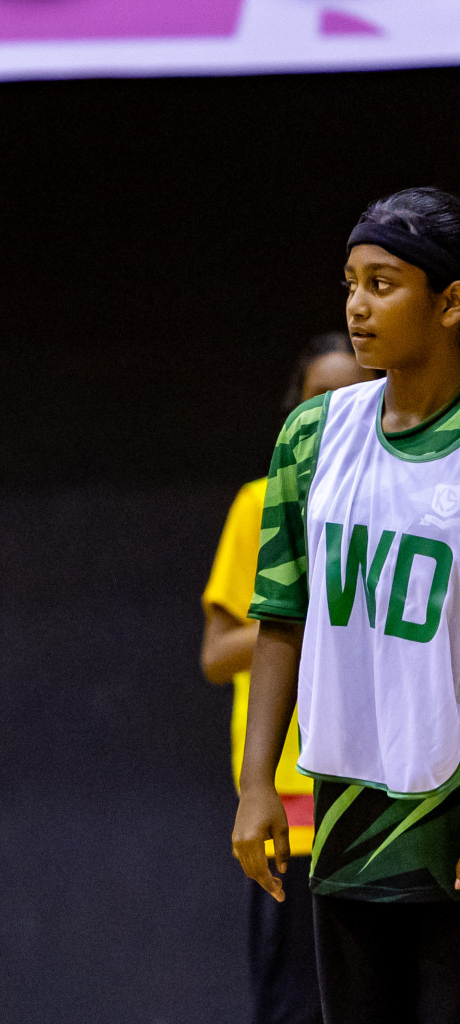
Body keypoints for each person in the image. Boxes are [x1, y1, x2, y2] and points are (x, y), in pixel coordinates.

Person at [232, 187, 460, 1024]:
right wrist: (258, 782)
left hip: (449, 803)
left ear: (451, 302)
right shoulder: (315, 434)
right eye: (350, 283)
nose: (358, 307)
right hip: (345, 810)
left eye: (383, 284)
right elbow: (279, 616)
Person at [202, 334, 373, 1024]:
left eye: (351, 395)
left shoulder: (407, 498)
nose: (334, 412)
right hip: (294, 806)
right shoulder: (261, 502)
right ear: (293, 413)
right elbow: (217, 654)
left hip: (386, 793)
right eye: (317, 399)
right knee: (296, 1004)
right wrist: (306, 615)